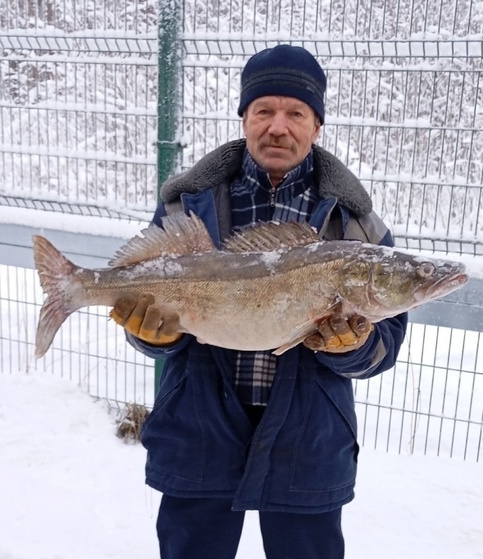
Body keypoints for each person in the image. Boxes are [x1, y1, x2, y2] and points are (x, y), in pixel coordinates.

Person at [110, 44, 408, 559]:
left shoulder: (356, 225)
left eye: (296, 113)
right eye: (264, 110)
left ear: (317, 126)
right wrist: (147, 333)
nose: (278, 126)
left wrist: (350, 346)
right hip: (196, 431)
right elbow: (152, 324)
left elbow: (385, 344)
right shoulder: (187, 208)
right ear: (244, 117)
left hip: (307, 444)